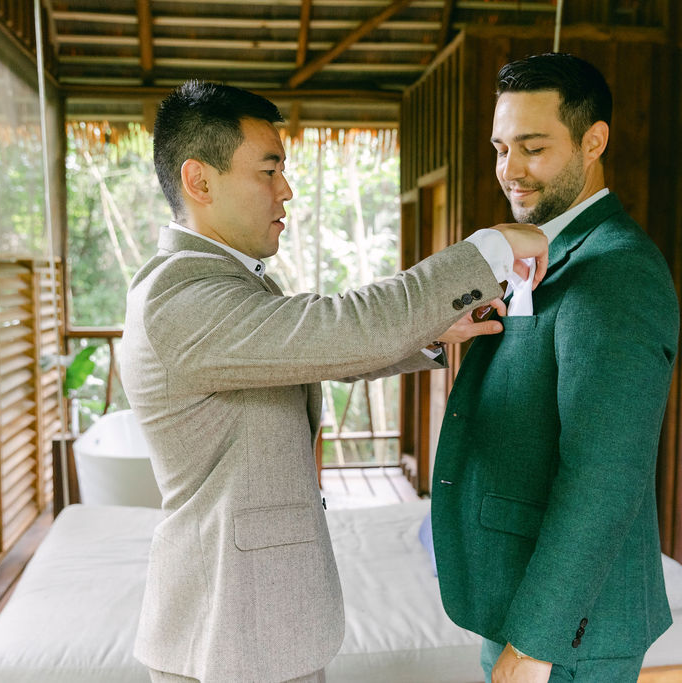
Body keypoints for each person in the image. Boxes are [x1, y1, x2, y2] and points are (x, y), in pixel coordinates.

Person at [118, 80, 549, 683]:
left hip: (257, 624)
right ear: (199, 180)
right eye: (268, 171)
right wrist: (489, 251)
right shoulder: (179, 295)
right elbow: (336, 327)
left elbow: (310, 354)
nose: (285, 191)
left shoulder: (220, 282)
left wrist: (434, 334)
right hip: (233, 630)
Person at [430, 53, 680, 683]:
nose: (509, 171)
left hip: (569, 631)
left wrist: (536, 641)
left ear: (594, 141)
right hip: (521, 591)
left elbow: (606, 474)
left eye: (533, 148)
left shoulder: (617, 270)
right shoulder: (549, 249)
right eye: (499, 147)